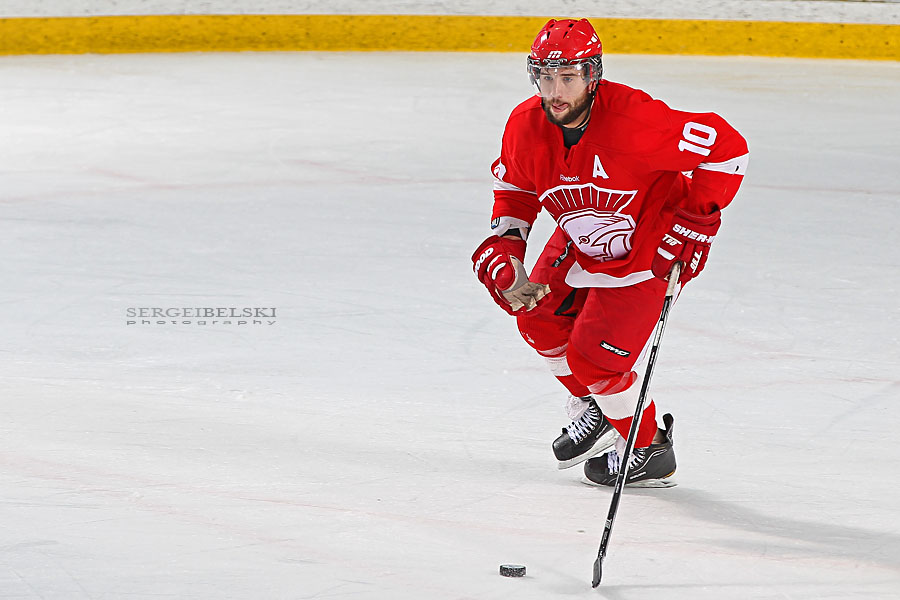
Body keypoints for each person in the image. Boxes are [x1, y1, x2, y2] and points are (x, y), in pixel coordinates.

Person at [471, 18, 748, 486]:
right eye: (545, 76)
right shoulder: (524, 125)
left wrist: (697, 221)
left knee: (595, 360)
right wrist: (507, 248)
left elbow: (728, 148)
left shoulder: (635, 120)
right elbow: (515, 189)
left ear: (593, 75)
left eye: (568, 77)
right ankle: (601, 410)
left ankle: (648, 447)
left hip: (651, 244)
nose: (555, 90)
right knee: (537, 320)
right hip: (582, 233)